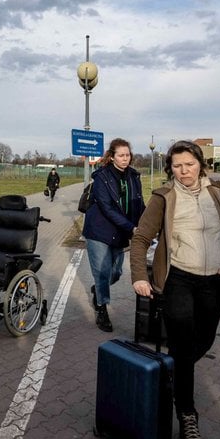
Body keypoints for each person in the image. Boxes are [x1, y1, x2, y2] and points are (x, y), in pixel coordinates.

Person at [129, 140, 220, 439]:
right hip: (179, 279)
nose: (184, 171)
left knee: (205, 340)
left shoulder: (218, 192)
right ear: (171, 168)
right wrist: (140, 276)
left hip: (215, 281)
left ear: (200, 164)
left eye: (189, 164)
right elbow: (141, 238)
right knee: (182, 347)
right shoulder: (163, 197)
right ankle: (187, 415)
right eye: (177, 166)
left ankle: (167, 376)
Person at [82, 138, 145, 331]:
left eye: (127, 155)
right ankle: (102, 308)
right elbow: (107, 209)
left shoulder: (133, 176)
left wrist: (146, 224)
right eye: (121, 155)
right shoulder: (102, 176)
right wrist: (132, 228)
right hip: (99, 230)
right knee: (102, 272)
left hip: (120, 230)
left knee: (116, 272)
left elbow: (139, 204)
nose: (125, 159)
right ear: (112, 156)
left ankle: (98, 289)